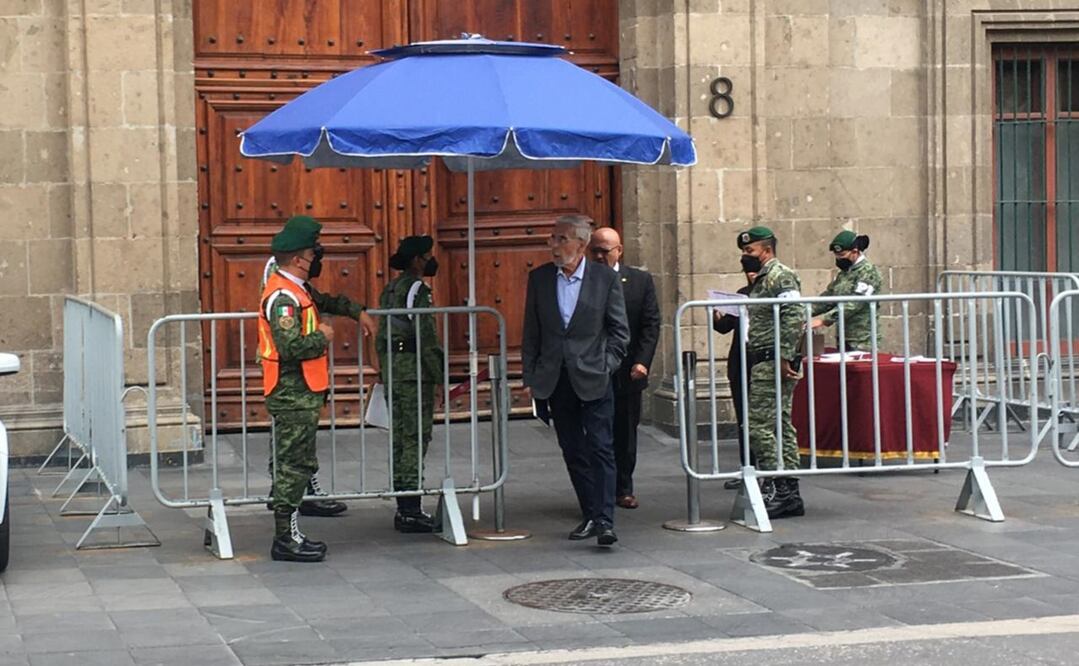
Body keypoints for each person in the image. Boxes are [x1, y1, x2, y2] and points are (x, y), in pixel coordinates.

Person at [258, 215, 377, 562]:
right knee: (292, 466)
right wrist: (322, 337)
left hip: (304, 392)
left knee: (298, 462)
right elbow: (290, 346)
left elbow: (327, 301)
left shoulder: (299, 289)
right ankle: (285, 538)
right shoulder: (282, 297)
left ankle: (290, 532)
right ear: (298, 258)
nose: (317, 258)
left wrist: (358, 313)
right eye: (314, 252)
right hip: (291, 393)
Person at [522, 214, 630, 547]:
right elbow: (532, 332)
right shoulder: (539, 279)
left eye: (560, 239)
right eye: (552, 238)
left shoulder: (603, 279)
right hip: (556, 378)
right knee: (572, 449)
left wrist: (606, 365)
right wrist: (531, 374)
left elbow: (619, 332)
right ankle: (590, 512)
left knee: (601, 447)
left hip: (594, 377)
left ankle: (605, 520)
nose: (553, 245)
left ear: (580, 245)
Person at [376, 235, 445, 533]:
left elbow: (381, 334)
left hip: (394, 368)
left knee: (401, 438)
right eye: (427, 255)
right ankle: (410, 508)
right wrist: (440, 377)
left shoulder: (390, 289)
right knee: (416, 438)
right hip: (415, 372)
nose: (430, 260)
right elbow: (426, 337)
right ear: (417, 260)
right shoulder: (418, 290)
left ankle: (404, 502)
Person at [588, 227, 659, 510]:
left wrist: (642, 361)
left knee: (625, 431)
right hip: (592, 368)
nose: (599, 256)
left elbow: (650, 324)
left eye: (605, 251)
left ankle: (623, 488)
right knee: (594, 431)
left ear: (619, 250)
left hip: (627, 370)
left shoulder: (640, 281)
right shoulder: (583, 279)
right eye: (594, 250)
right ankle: (597, 488)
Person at [739, 226, 806, 519]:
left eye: (749, 251)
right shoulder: (763, 278)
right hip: (764, 358)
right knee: (779, 423)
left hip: (772, 359)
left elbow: (793, 316)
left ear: (766, 250)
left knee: (759, 426)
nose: (745, 256)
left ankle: (777, 486)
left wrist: (785, 356)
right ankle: (788, 492)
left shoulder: (780, 275)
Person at [712, 267, 757, 490]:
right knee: (743, 419)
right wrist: (717, 310)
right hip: (740, 362)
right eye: (748, 272)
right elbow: (724, 326)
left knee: (764, 419)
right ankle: (746, 467)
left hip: (760, 361)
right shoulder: (743, 294)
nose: (751, 275)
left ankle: (766, 471)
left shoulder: (772, 295)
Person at [811, 230, 883, 352]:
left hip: (862, 340)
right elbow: (829, 298)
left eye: (842, 255)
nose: (838, 259)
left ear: (855, 252)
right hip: (844, 337)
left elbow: (855, 304)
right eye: (836, 255)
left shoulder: (869, 272)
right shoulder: (844, 274)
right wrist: (804, 311)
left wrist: (824, 320)